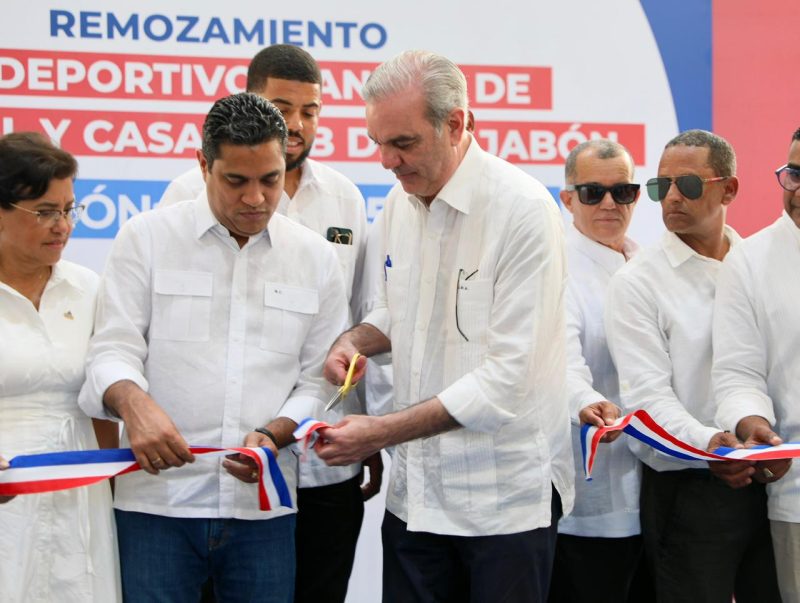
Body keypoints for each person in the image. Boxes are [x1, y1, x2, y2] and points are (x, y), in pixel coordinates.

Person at [315, 50, 574, 602]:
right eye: (377, 142)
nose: (387, 160)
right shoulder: (398, 203)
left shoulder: (522, 210)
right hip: (415, 499)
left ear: (455, 124)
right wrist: (355, 340)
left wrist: (381, 432)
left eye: (403, 143)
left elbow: (508, 379)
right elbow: (398, 313)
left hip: (501, 503)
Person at [78, 93, 349, 602]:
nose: (255, 198)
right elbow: (111, 350)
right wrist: (134, 406)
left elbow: (319, 381)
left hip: (263, 507)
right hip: (157, 505)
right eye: (236, 180)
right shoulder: (146, 239)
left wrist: (276, 433)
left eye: (270, 179)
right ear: (203, 165)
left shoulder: (315, 258)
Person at [161, 45, 376, 602]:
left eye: (311, 110)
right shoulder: (187, 194)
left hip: (325, 455)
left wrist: (372, 427)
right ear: (252, 101)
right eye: (283, 107)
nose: (297, 123)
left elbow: (359, 320)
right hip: (233, 463)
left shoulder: (346, 198)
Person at [605, 130, 780, 602]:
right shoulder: (637, 283)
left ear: (730, 190)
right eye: (661, 186)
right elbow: (646, 400)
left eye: (688, 184)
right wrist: (710, 444)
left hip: (772, 477)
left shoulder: (761, 265)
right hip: (689, 488)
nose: (672, 197)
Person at [0, 132, 121, 601]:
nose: (63, 226)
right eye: (46, 212)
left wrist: (109, 479)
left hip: (79, 493)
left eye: (70, 210)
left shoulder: (88, 288)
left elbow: (101, 402)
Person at [548, 140, 645, 603]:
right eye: (592, 192)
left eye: (622, 191)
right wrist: (587, 403)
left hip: (660, 493)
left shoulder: (648, 266)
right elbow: (559, 363)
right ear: (567, 200)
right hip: (589, 500)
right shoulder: (557, 270)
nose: (609, 203)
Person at [711, 126, 800, 601]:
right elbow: (737, 373)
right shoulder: (750, 261)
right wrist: (754, 425)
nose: (799, 190)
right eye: (795, 174)